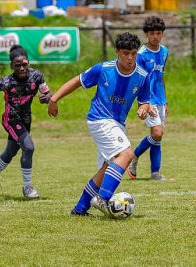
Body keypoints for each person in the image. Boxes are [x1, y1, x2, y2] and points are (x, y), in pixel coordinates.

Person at [48, 32, 155, 216]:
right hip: (99, 119)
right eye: (125, 53)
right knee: (127, 154)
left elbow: (144, 100)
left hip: (117, 124)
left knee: (108, 167)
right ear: (116, 52)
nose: (130, 58)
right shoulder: (103, 69)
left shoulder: (142, 76)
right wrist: (54, 99)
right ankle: (103, 200)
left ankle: (80, 209)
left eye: (133, 53)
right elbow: (77, 81)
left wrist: (144, 108)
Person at [0, 45, 52, 199]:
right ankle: (27, 188)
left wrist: (47, 98)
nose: (22, 68)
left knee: (11, 151)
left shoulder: (37, 76)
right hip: (10, 119)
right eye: (18, 66)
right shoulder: (6, 82)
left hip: (26, 120)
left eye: (25, 64)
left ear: (29, 63)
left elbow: (47, 94)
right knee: (29, 147)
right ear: (12, 66)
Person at [128, 15, 169, 181]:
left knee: (158, 137)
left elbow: (161, 77)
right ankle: (133, 156)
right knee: (158, 133)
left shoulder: (164, 51)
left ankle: (155, 173)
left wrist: (165, 101)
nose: (155, 36)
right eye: (152, 33)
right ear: (146, 34)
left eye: (159, 33)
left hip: (160, 99)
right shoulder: (142, 54)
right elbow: (139, 79)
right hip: (149, 100)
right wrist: (145, 103)